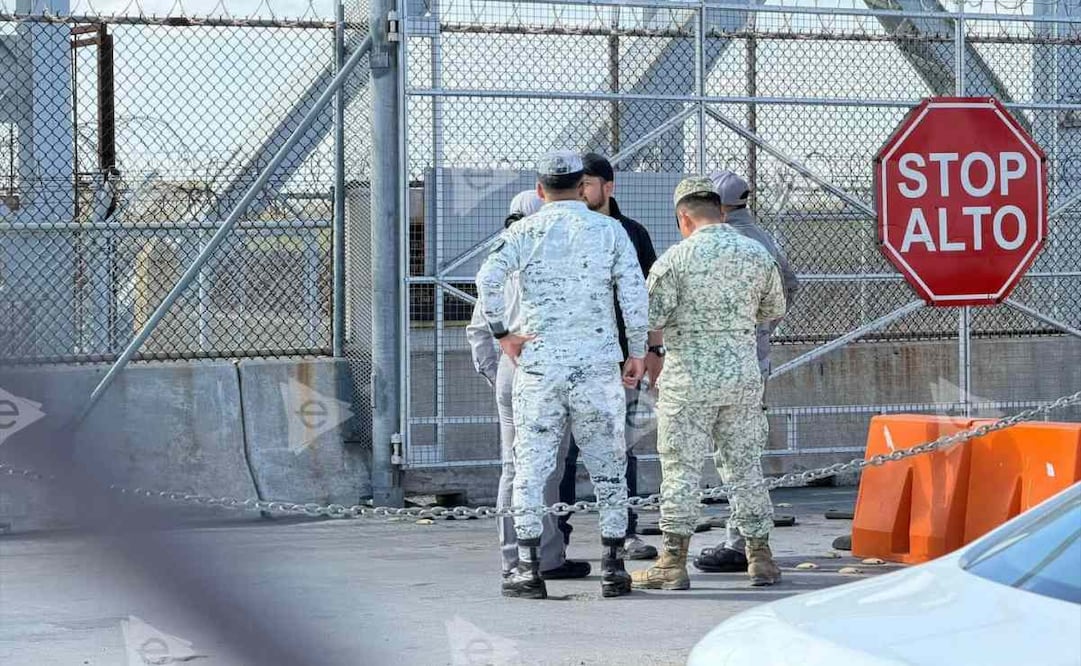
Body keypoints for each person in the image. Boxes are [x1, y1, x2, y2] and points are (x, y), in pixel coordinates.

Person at [475, 150, 649, 600]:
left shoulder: (525, 230)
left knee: (530, 468)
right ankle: (614, 568)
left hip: (539, 367)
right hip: (596, 366)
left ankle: (528, 569)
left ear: (539, 190)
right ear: (580, 187)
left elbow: (487, 278)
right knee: (608, 465)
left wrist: (503, 333)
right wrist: (636, 353)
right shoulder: (610, 231)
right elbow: (633, 294)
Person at [630, 176, 787, 590]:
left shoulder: (674, 260)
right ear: (721, 212)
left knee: (681, 469)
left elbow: (650, 318)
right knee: (745, 466)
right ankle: (761, 556)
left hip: (689, 380)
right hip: (741, 375)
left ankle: (672, 561)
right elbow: (773, 308)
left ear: (684, 218)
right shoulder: (755, 253)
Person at [466, 190, 592, 585]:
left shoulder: (501, 258)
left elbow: (479, 330)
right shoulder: (552, 258)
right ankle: (544, 556)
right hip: (548, 370)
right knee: (546, 468)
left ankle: (518, 558)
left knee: (516, 468)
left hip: (512, 367)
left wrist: (499, 375)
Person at [692, 169, 801, 574]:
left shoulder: (719, 242)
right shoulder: (763, 238)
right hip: (754, 359)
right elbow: (790, 285)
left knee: (722, 452)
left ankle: (738, 543)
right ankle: (748, 541)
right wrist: (763, 330)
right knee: (744, 449)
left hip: (716, 360)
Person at [556, 152, 660, 562]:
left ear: (608, 187)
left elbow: (650, 299)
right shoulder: (558, 231)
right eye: (576, 184)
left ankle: (625, 533)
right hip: (567, 361)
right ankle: (556, 537)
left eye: (587, 184)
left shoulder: (631, 233)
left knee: (621, 447)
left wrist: (652, 350)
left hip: (621, 362)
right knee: (562, 454)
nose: (580, 192)